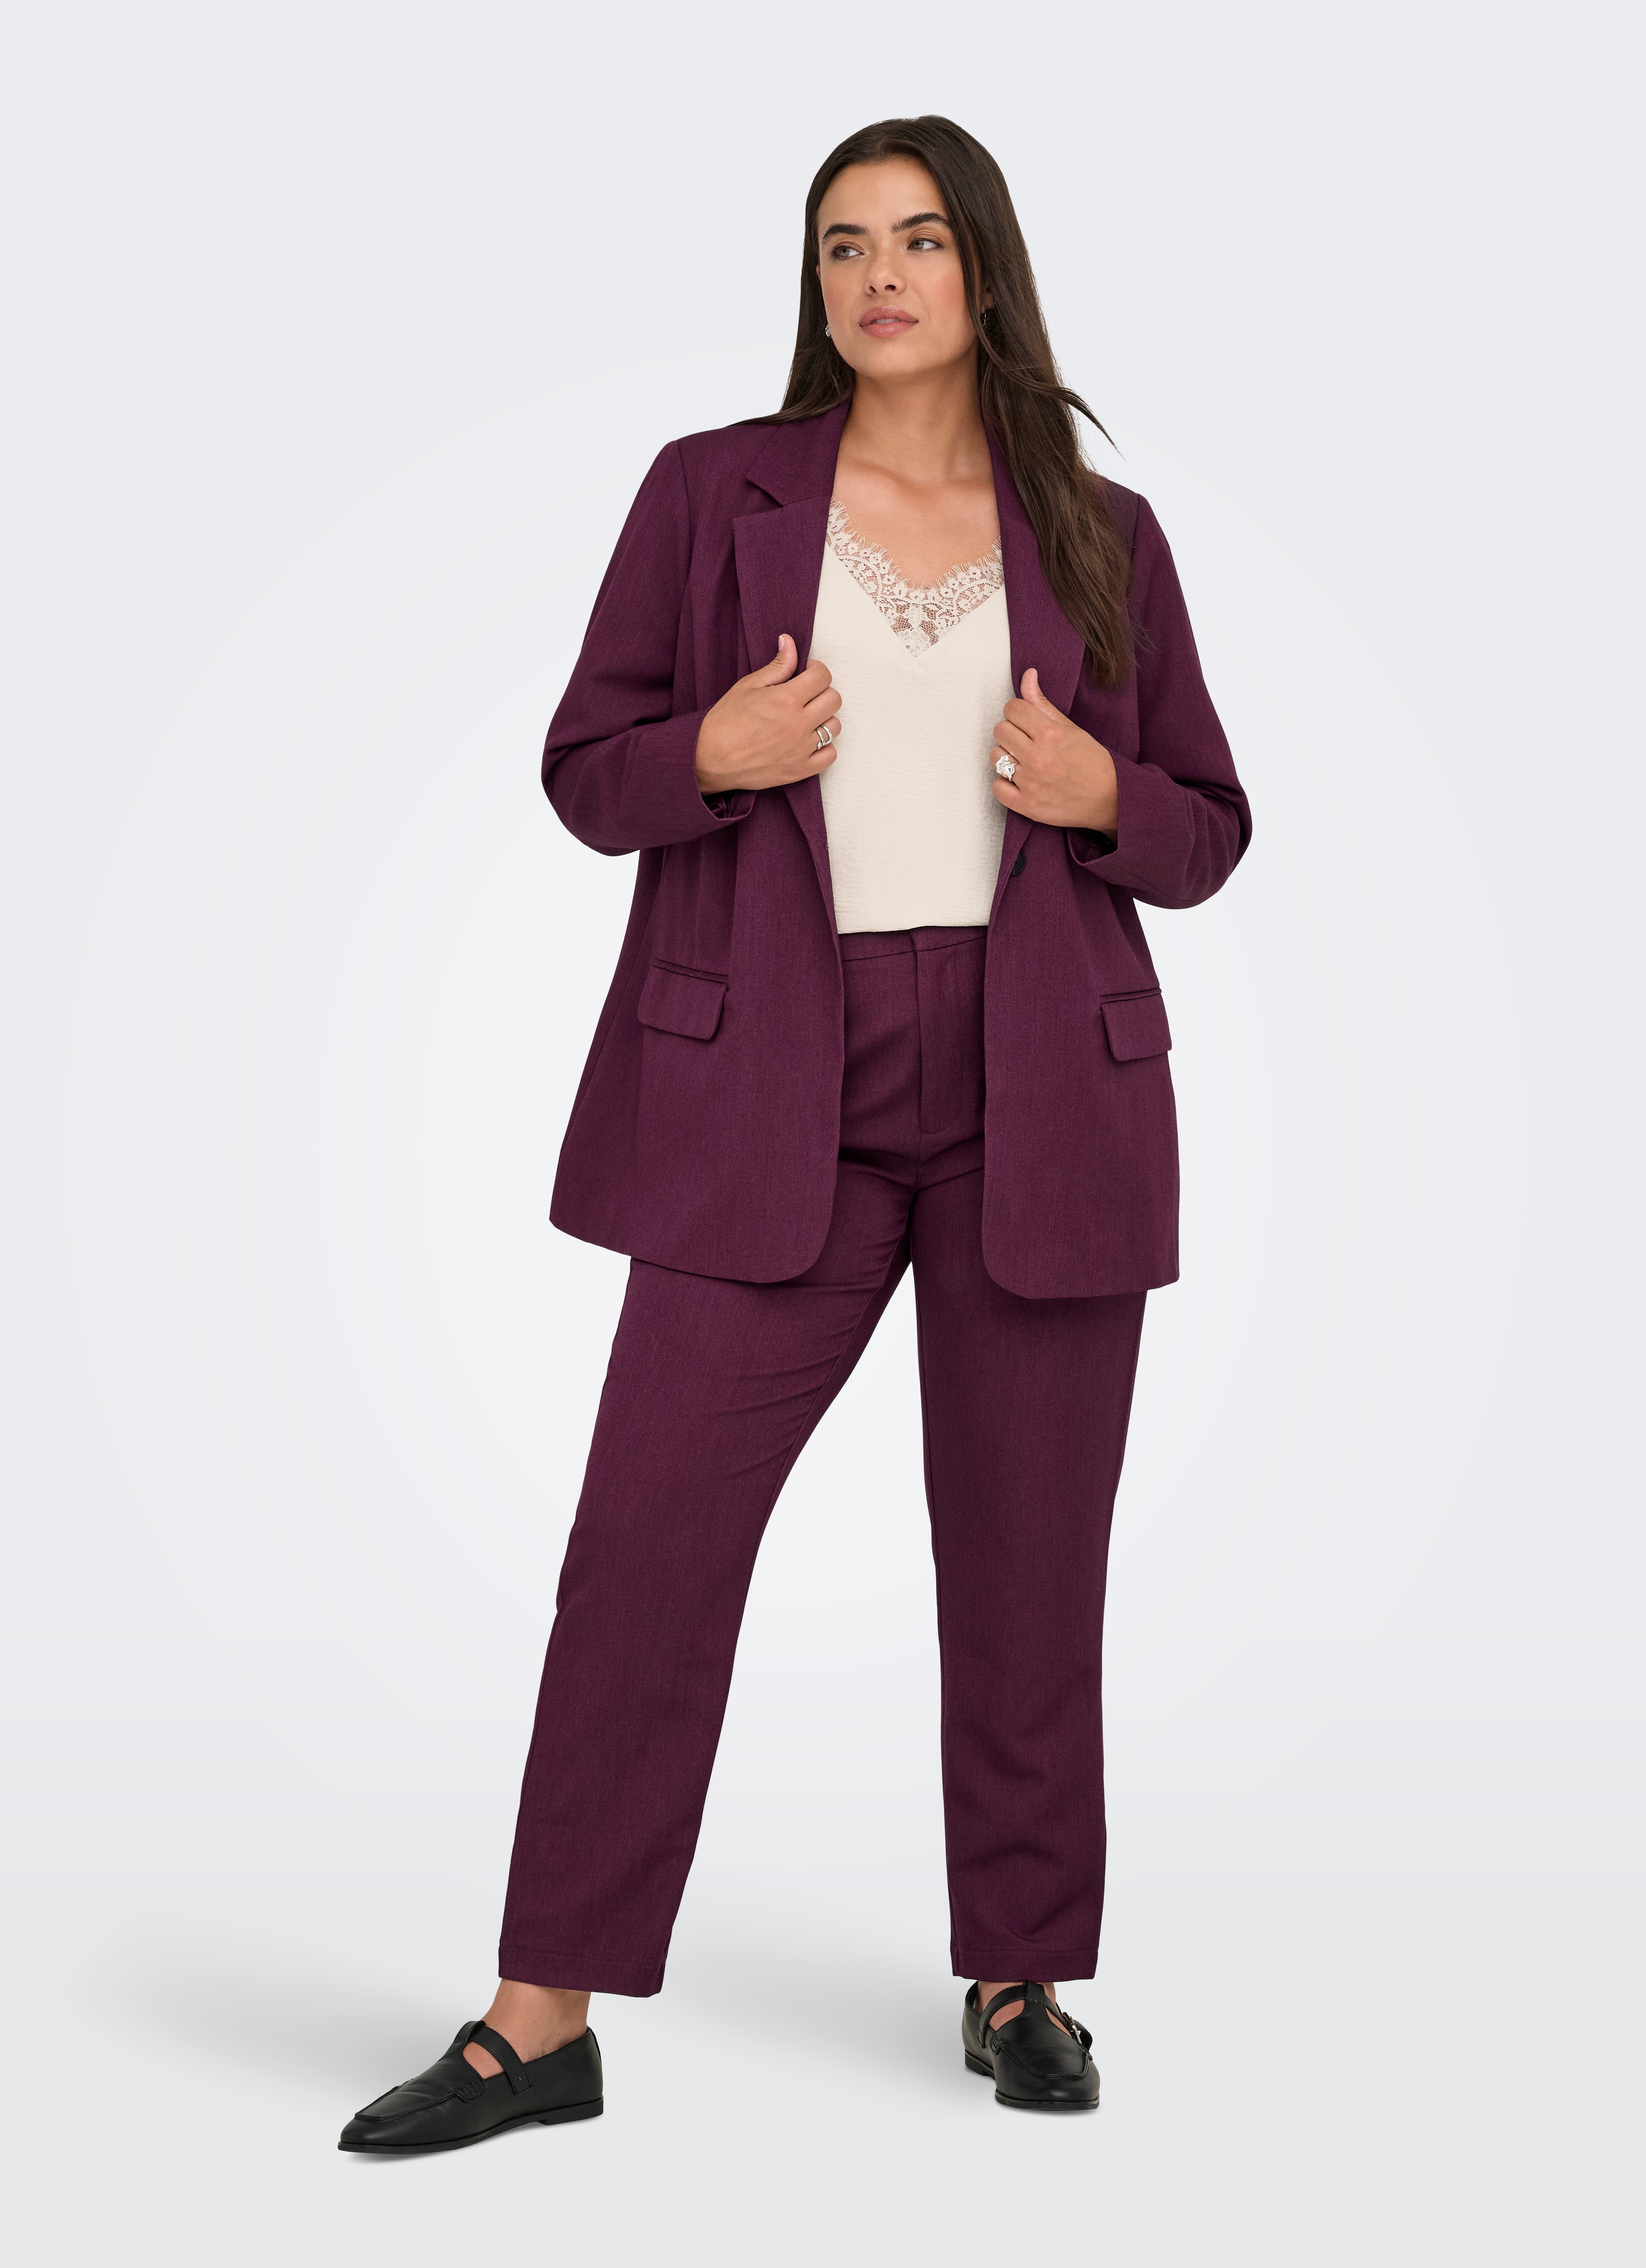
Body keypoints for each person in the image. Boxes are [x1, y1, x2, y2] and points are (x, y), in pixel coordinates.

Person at [338, 113, 1250, 2152]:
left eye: (919, 239)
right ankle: (540, 2019)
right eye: (844, 244)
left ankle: (1021, 1973)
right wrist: (716, 751)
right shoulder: (713, 493)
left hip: (1042, 1093)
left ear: (985, 271)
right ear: (815, 281)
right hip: (770, 1090)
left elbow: (1208, 825)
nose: (881, 275)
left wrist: (1108, 797)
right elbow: (588, 770)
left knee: (1031, 1563)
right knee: (645, 1553)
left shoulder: (1102, 530)